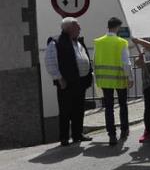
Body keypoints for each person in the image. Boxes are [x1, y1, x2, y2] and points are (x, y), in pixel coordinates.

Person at [44, 17, 93, 146]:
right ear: (69, 28)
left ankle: (78, 134)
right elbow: (50, 63)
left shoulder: (78, 42)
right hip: (66, 82)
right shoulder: (56, 42)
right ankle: (64, 137)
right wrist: (59, 78)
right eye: (77, 26)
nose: (80, 28)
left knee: (79, 109)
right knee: (65, 110)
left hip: (80, 81)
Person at [93, 17, 133, 146]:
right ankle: (124, 130)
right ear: (117, 27)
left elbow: (95, 60)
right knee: (123, 105)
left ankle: (111, 135)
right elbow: (126, 62)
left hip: (104, 80)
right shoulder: (121, 42)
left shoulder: (98, 42)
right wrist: (130, 78)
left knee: (108, 108)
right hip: (119, 78)